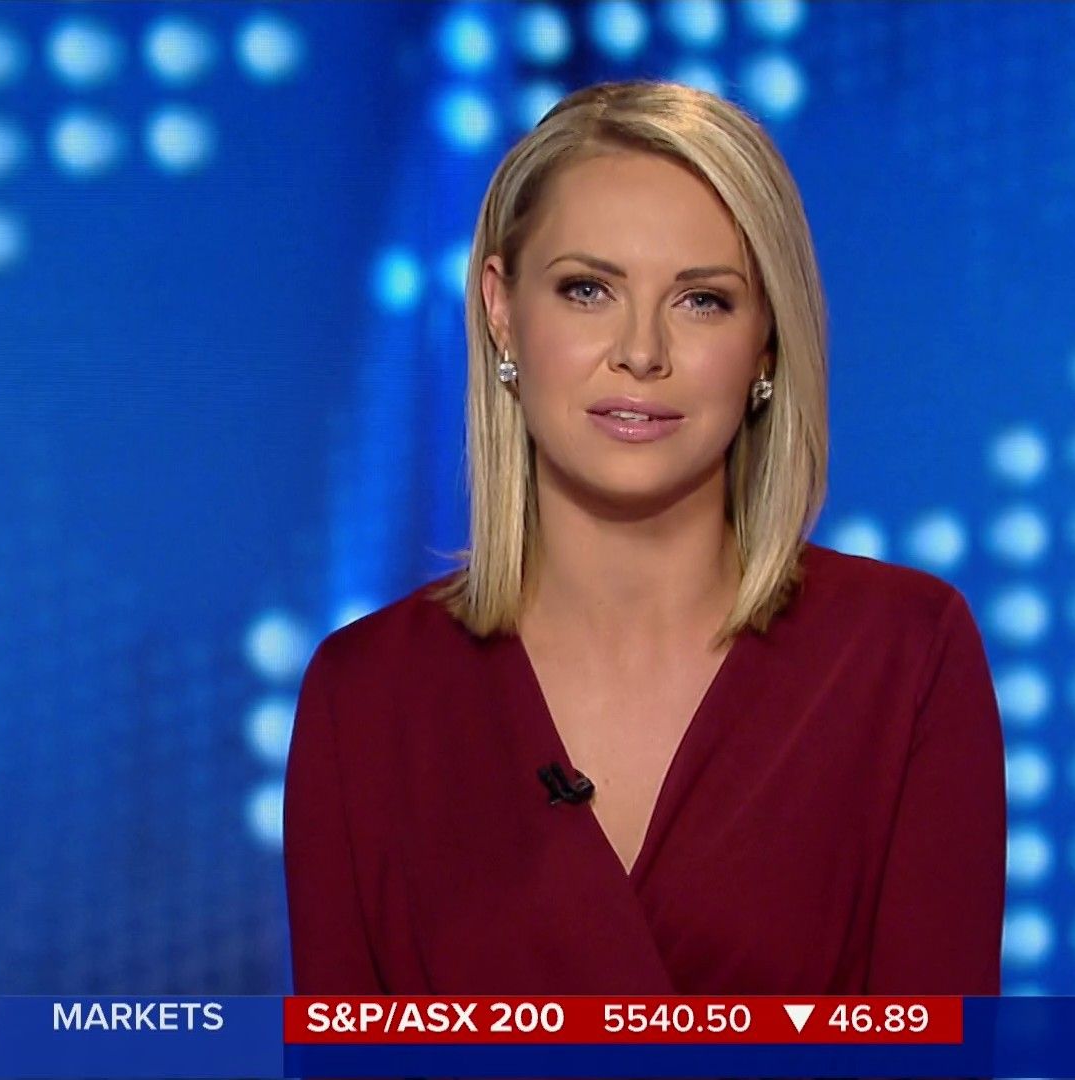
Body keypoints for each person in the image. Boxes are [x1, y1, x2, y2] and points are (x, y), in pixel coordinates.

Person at [284, 79, 1005, 997]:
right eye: (587, 290)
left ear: (767, 342)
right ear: (502, 311)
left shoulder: (904, 657)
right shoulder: (365, 699)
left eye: (702, 301)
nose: (641, 352)